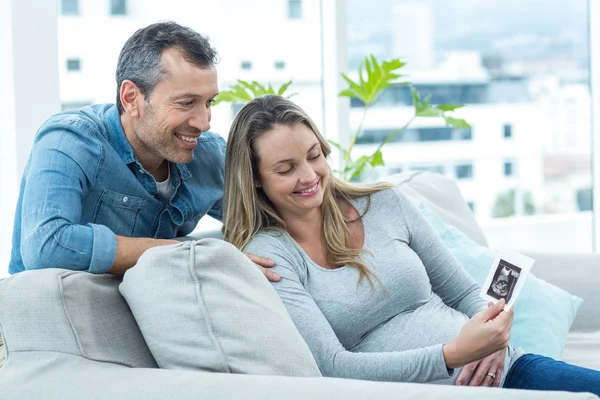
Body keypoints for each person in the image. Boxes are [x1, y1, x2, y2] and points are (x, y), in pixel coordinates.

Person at [222, 95, 600, 394]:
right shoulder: (271, 254)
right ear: (255, 179)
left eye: (314, 155)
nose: (308, 176)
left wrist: (494, 340)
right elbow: (330, 365)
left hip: (507, 373)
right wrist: (452, 355)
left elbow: (464, 291)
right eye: (286, 169)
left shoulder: (387, 204)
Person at [8, 21, 276, 280]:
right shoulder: (70, 141)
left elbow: (274, 217)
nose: (204, 123)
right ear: (131, 99)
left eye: (208, 102)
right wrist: (192, 253)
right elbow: (46, 246)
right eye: (186, 103)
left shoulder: (208, 154)